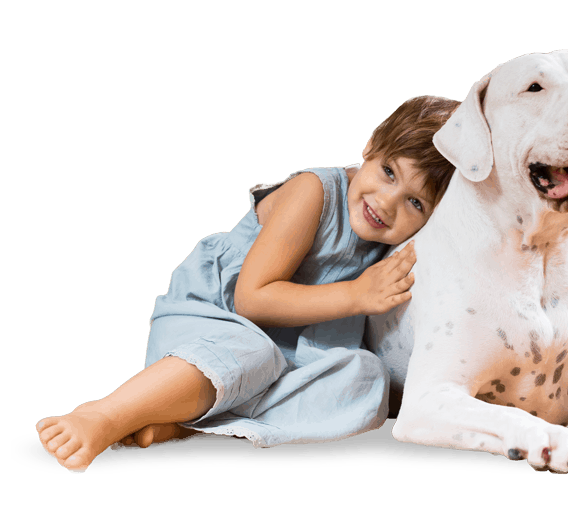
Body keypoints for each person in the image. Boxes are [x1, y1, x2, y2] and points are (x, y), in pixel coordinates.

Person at [36, 95, 461, 472]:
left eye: (415, 202)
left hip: (286, 354)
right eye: (388, 172)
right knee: (252, 351)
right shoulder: (315, 191)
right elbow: (251, 300)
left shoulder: (394, 242)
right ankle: (105, 415)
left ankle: (191, 431)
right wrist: (356, 295)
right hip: (211, 324)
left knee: (367, 380)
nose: (386, 203)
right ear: (370, 147)